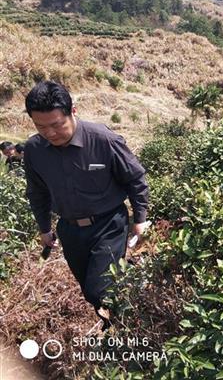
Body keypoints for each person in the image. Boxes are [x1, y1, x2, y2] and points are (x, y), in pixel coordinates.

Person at [23, 81, 149, 330]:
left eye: (57, 124)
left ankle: (127, 325)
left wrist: (140, 218)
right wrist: (44, 228)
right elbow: (37, 192)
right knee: (90, 290)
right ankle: (114, 322)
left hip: (109, 224)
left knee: (98, 289)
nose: (50, 133)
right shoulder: (34, 150)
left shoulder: (103, 139)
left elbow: (135, 179)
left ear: (73, 111)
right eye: (41, 126)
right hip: (70, 230)